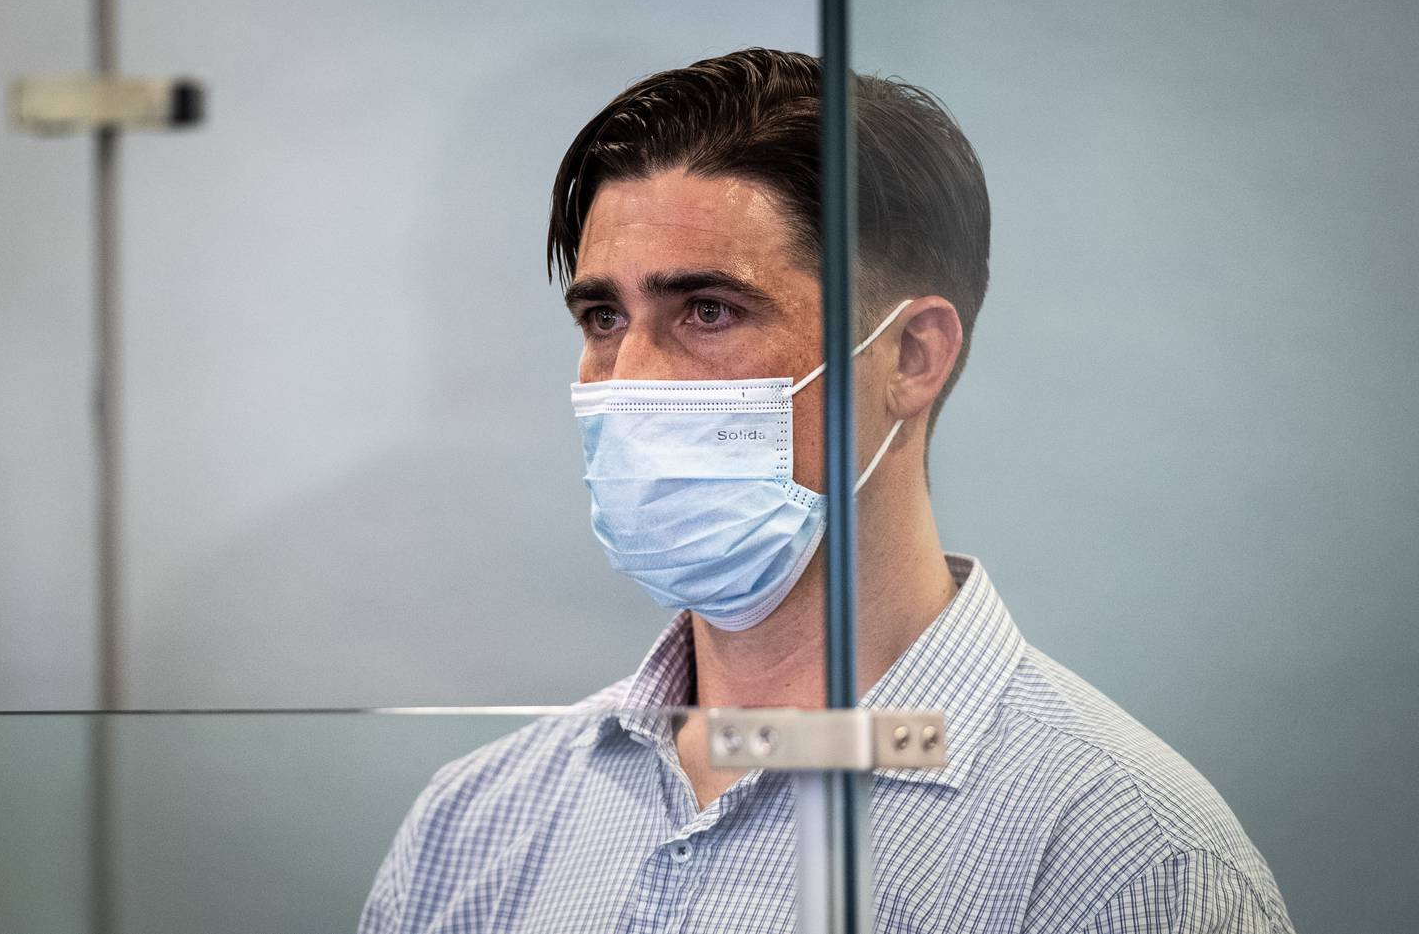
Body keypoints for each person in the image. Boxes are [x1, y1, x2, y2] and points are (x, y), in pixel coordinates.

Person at [358, 48, 1295, 933]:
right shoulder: (471, 826)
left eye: (708, 310)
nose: (629, 380)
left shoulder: (1128, 862)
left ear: (911, 353)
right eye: (604, 315)